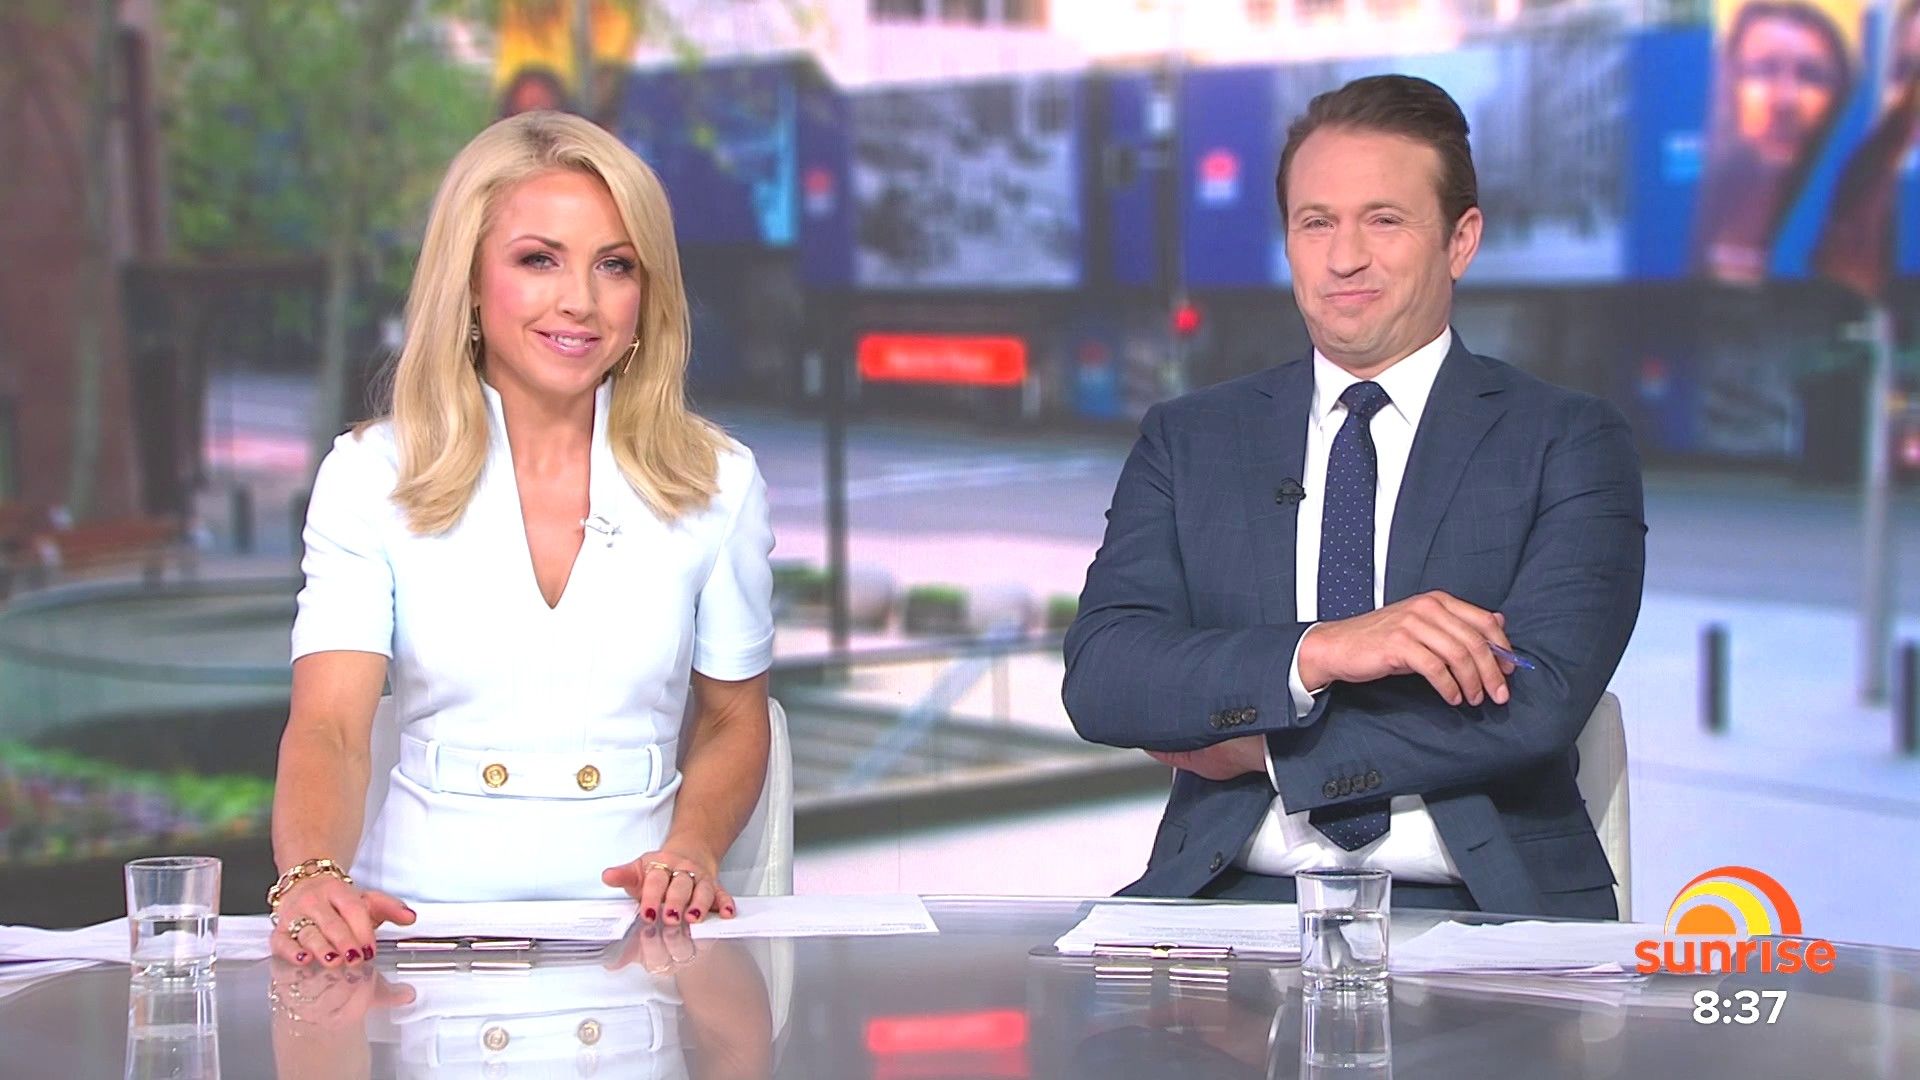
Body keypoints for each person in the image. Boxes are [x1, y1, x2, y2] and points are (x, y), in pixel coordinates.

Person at [1063, 75, 1645, 919]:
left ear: (1460, 241)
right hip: (1228, 899)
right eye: (1316, 223)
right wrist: (1321, 651)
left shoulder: (1568, 440)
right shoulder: (1190, 439)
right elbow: (1106, 676)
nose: (1344, 258)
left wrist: (1266, 752)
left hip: (1481, 906)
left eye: (1384, 220)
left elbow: (1535, 703)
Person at [267, 110, 776, 968]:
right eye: (539, 259)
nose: (580, 300)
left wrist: (692, 848)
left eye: (615, 265)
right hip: (413, 933)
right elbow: (330, 729)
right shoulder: (370, 475)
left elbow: (734, 719)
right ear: (469, 282)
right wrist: (312, 876)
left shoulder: (718, 481)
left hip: (644, 941)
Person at [1694, 0, 1854, 283]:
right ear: (1726, 84)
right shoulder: (1682, 220)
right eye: (1763, 70)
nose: (1785, 100)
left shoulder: (1849, 228)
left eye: (1810, 76)